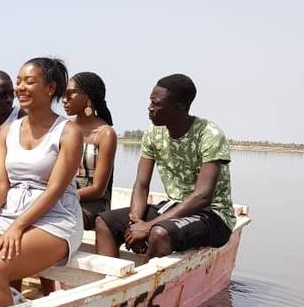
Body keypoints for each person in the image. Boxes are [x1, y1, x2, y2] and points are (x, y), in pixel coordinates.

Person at [0, 58, 83, 307]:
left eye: (29, 81)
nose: (20, 88)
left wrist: (19, 226)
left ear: (50, 88)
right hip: (10, 214)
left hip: (54, 219)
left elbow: (55, 190)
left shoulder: (68, 132)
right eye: (19, 82)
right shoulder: (7, 130)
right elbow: (0, 183)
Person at [96, 74, 235, 260]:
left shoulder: (209, 134)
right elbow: (142, 183)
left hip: (213, 215)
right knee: (105, 222)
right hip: (174, 206)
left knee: (159, 233)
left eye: (156, 103)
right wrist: (135, 222)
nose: (150, 108)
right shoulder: (153, 133)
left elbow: (203, 196)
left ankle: (145, 288)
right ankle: (111, 284)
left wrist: (149, 226)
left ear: (178, 108)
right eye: (150, 102)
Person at [61, 71, 117, 228]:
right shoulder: (64, 127)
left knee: (66, 220)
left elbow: (98, 189)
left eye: (70, 94)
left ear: (88, 97)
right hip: (61, 194)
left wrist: (62, 196)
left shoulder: (105, 134)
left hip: (91, 202)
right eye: (63, 95)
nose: (64, 100)